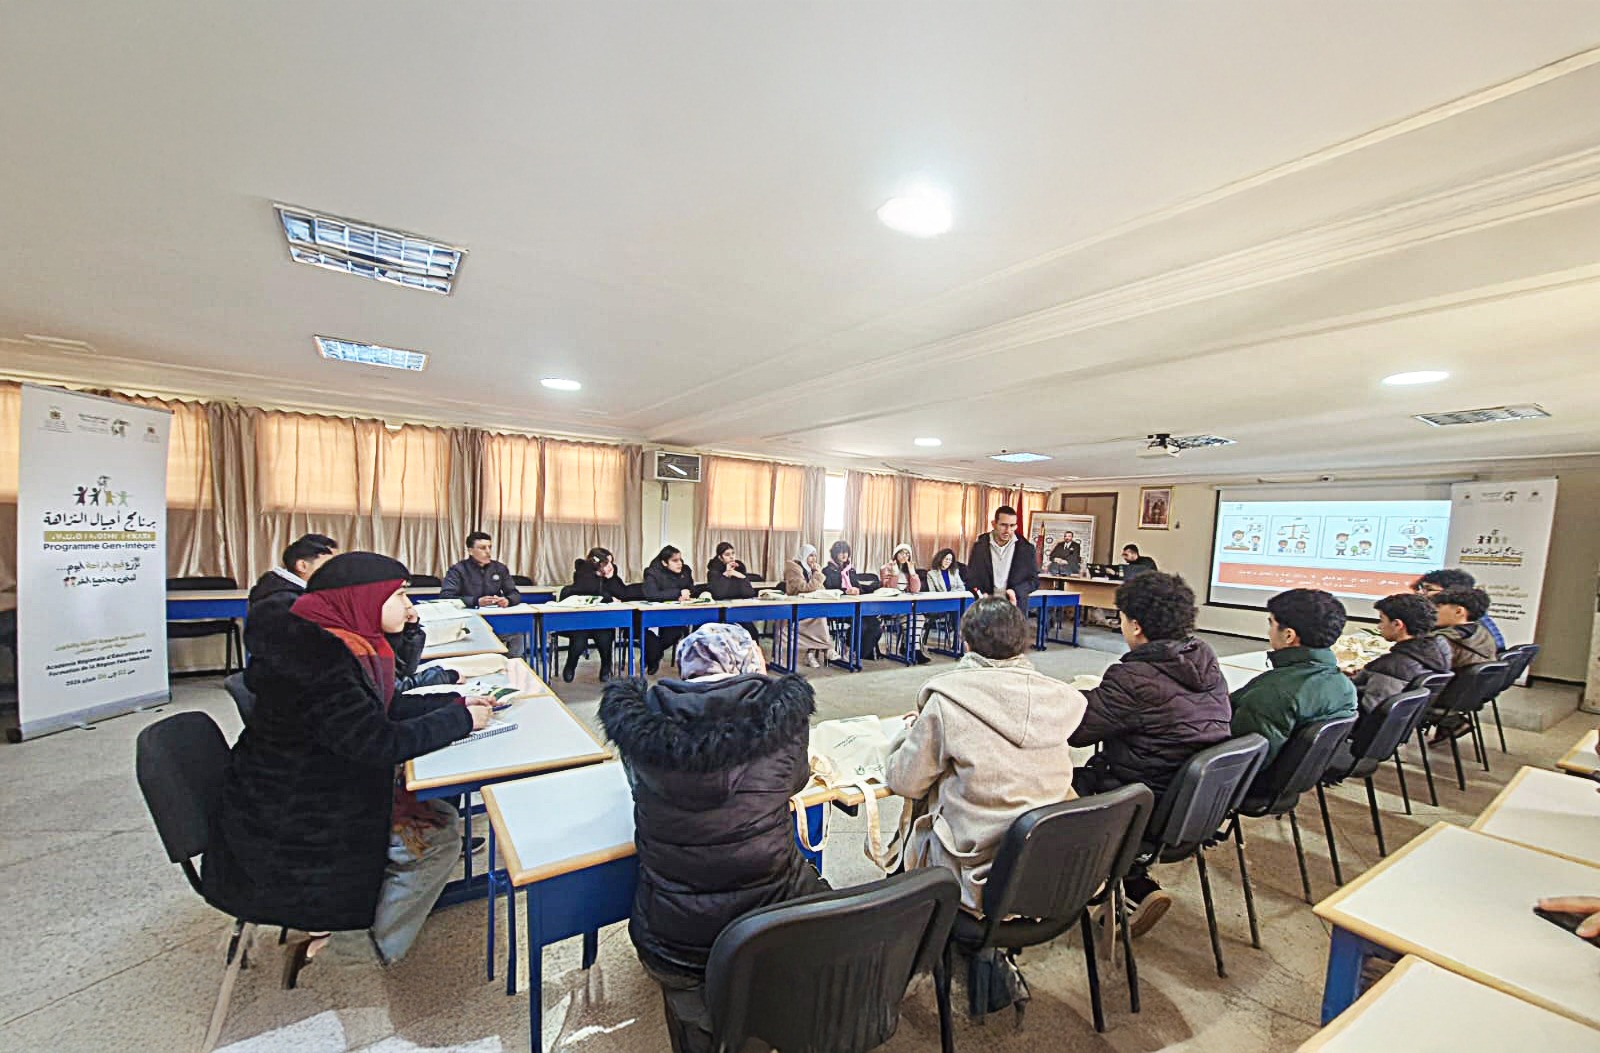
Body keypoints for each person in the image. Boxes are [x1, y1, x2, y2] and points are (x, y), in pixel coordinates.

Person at [204, 553, 494, 981]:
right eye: (399, 596)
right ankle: (360, 954)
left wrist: (454, 702)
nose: (408, 607)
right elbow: (378, 741)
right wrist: (460, 720)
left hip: (299, 797)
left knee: (437, 814)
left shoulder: (337, 643)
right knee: (437, 835)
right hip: (296, 827)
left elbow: (381, 708)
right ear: (364, 598)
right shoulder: (317, 664)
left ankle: (369, 924)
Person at [599, 623, 824, 1047]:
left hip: (671, 944)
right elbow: (796, 781)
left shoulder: (639, 726)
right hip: (772, 927)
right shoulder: (784, 720)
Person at [885, 597, 1085, 914]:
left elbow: (904, 781)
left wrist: (910, 732)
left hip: (973, 875)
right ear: (1023, 643)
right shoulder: (1059, 700)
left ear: (966, 644)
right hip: (1050, 869)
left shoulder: (948, 700)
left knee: (915, 818)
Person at [1070, 572, 1233, 934]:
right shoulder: (1204, 659)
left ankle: (1066, 890)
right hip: (1190, 806)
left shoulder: (1133, 677)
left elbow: (1078, 732)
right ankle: (1134, 886)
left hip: (1138, 802)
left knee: (1045, 789)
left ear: (1136, 626)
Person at [1229, 589, 1358, 765]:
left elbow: (1239, 761)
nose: (1269, 632)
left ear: (1289, 635)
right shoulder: (1344, 685)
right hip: (1306, 772)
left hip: (1253, 777)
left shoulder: (1272, 692)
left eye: (1271, 624)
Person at [1349, 593, 1451, 713]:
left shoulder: (1390, 667)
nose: (1379, 626)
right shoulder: (1438, 651)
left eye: (1381, 620)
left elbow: (1372, 710)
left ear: (1397, 624)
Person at [244, 533, 338, 657]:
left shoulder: (276, 587)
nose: (335, 570)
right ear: (302, 566)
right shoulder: (283, 601)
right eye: (328, 565)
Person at [440, 531, 525, 656]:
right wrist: (476, 601)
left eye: (489, 547)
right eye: (482, 548)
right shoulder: (458, 570)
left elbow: (514, 593)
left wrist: (508, 600)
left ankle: (511, 664)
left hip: (495, 620)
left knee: (517, 634)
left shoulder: (499, 568)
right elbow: (446, 597)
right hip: (469, 622)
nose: (488, 552)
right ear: (470, 551)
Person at [558, 547, 627, 683]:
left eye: (611, 563)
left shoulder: (611, 576)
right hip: (580, 622)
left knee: (605, 638)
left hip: (602, 621)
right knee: (579, 640)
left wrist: (611, 579)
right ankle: (570, 666)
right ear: (597, 564)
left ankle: (606, 668)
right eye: (607, 563)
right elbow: (589, 592)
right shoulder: (583, 573)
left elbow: (622, 593)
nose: (610, 566)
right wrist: (608, 597)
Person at [966, 505, 1039, 607]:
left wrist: (1015, 592)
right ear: (994, 524)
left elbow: (1034, 581)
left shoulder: (1026, 549)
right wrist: (981, 593)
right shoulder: (979, 547)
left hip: (1015, 606)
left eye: (1012, 525)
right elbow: (971, 579)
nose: (1008, 530)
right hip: (985, 606)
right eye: (1003, 525)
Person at [1414, 569, 1505, 649]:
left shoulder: (1468, 628)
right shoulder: (1474, 618)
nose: (1419, 593)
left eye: (1429, 589)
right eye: (1420, 588)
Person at [822, 540, 883, 659]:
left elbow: (857, 587)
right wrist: (846, 591)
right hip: (838, 608)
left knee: (875, 624)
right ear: (835, 553)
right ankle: (848, 647)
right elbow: (829, 588)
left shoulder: (851, 570)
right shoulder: (827, 570)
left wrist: (863, 589)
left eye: (846, 552)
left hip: (855, 606)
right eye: (840, 552)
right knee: (861, 624)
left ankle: (859, 652)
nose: (844, 555)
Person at [641, 545, 695, 674]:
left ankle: (653, 655)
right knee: (650, 636)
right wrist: (677, 593)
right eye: (675, 561)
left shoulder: (685, 570)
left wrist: (687, 593)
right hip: (655, 615)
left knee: (675, 632)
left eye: (680, 559)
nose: (680, 563)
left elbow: (691, 588)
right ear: (664, 563)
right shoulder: (652, 572)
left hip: (676, 614)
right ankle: (653, 656)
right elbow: (652, 595)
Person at [782, 544, 837, 668]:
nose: (813, 559)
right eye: (810, 555)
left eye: (815, 556)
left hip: (809, 607)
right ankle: (827, 647)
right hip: (795, 609)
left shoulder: (810, 569)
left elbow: (820, 589)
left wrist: (816, 574)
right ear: (804, 555)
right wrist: (817, 574)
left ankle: (811, 654)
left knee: (820, 615)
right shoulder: (793, 568)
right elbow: (804, 588)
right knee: (820, 617)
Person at [880, 542, 930, 665]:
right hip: (890, 607)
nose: (904, 556)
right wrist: (895, 574)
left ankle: (913, 649)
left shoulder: (908, 570)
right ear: (896, 554)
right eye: (902, 553)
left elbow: (915, 590)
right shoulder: (886, 568)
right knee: (912, 617)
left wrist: (913, 573)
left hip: (907, 607)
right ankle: (912, 649)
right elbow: (889, 589)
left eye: (907, 554)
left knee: (919, 617)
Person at [1429, 586, 1498, 670]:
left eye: (1438, 607)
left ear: (1459, 611)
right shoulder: (1483, 633)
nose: (1432, 611)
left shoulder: (1441, 640)